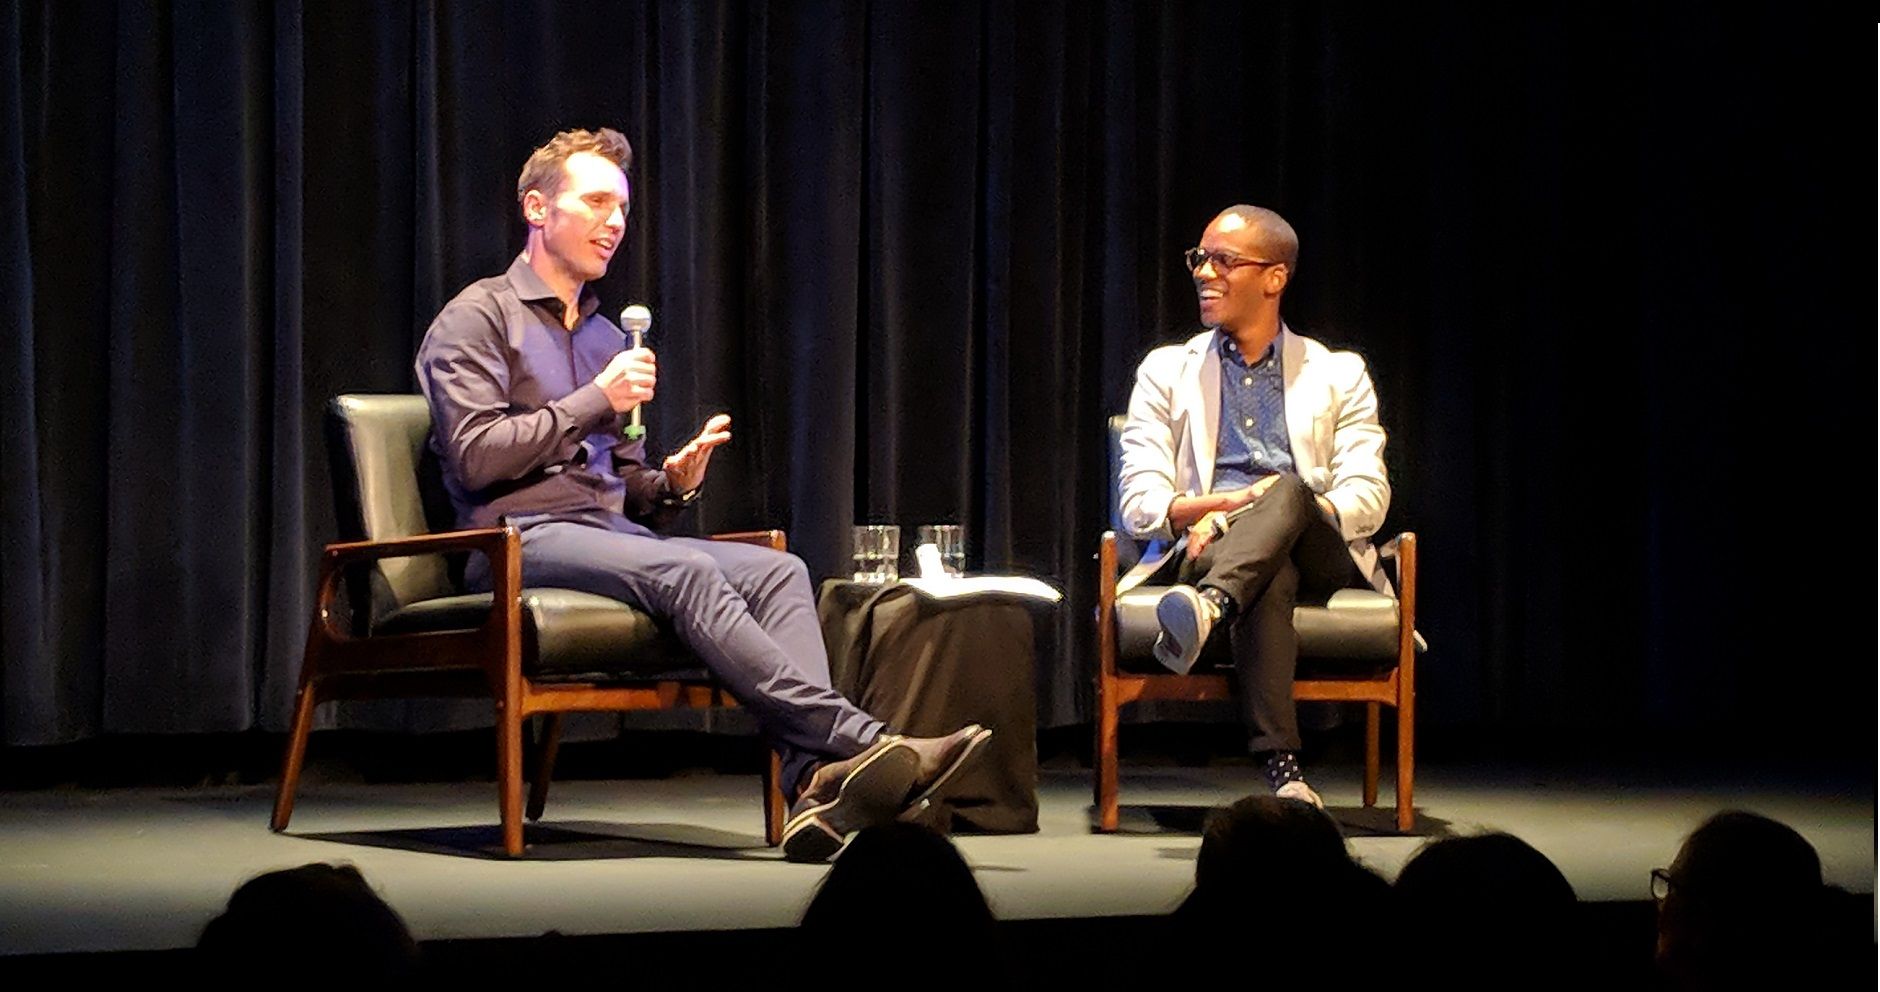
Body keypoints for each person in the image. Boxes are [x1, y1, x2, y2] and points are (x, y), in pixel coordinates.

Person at [414, 127, 988, 862]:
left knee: (779, 569)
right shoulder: (476, 317)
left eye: (621, 208)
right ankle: (868, 739)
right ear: (536, 208)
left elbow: (622, 481)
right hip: (515, 541)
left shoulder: (600, 338)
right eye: (594, 203)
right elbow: (474, 459)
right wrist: (595, 400)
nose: (614, 222)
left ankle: (816, 784)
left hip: (607, 535)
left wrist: (671, 484)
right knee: (687, 570)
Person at [1115, 205, 1393, 807]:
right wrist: (1229, 502)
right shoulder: (1166, 371)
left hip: (1316, 545)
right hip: (1206, 548)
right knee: (1269, 574)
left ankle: (1211, 607)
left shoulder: (1339, 374)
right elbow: (1139, 502)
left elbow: (1369, 495)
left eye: (1224, 260)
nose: (1203, 273)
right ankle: (1284, 769)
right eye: (1200, 258)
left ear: (1275, 277)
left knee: (1289, 489)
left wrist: (1277, 501)